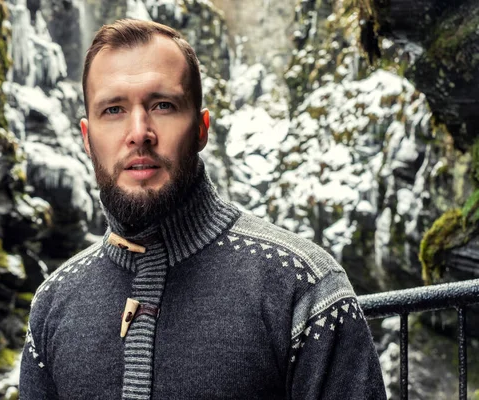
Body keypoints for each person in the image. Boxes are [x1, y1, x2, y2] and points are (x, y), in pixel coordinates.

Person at [20, 19, 386, 400]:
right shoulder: (52, 305)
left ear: (201, 128)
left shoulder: (304, 288)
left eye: (163, 105)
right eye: (113, 110)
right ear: (86, 137)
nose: (139, 131)